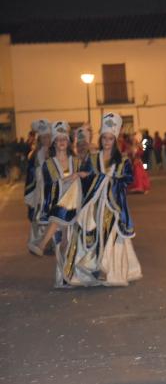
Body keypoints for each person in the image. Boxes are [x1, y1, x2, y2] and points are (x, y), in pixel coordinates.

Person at [78, 112, 142, 286]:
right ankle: (103, 266)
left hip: (113, 204)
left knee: (110, 234)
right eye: (104, 138)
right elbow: (87, 176)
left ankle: (103, 267)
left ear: (115, 140)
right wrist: (86, 175)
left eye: (110, 139)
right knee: (97, 233)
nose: (106, 142)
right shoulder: (92, 158)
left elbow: (129, 179)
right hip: (95, 204)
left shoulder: (121, 160)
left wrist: (111, 179)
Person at [28, 122, 90, 287]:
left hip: (77, 207)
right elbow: (49, 188)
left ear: (68, 142)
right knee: (62, 243)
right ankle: (63, 278)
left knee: (70, 243)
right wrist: (71, 178)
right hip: (58, 205)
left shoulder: (76, 161)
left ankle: (42, 243)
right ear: (54, 142)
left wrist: (79, 175)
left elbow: (87, 181)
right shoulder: (48, 165)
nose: (62, 142)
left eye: (64, 139)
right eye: (58, 139)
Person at [24, 119, 52, 256]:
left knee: (52, 216)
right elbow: (30, 176)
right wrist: (30, 193)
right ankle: (36, 243)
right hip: (39, 190)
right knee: (38, 217)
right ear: (39, 139)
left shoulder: (55, 152)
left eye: (48, 137)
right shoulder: (34, 155)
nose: (46, 140)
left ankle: (49, 243)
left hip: (52, 189)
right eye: (44, 137)